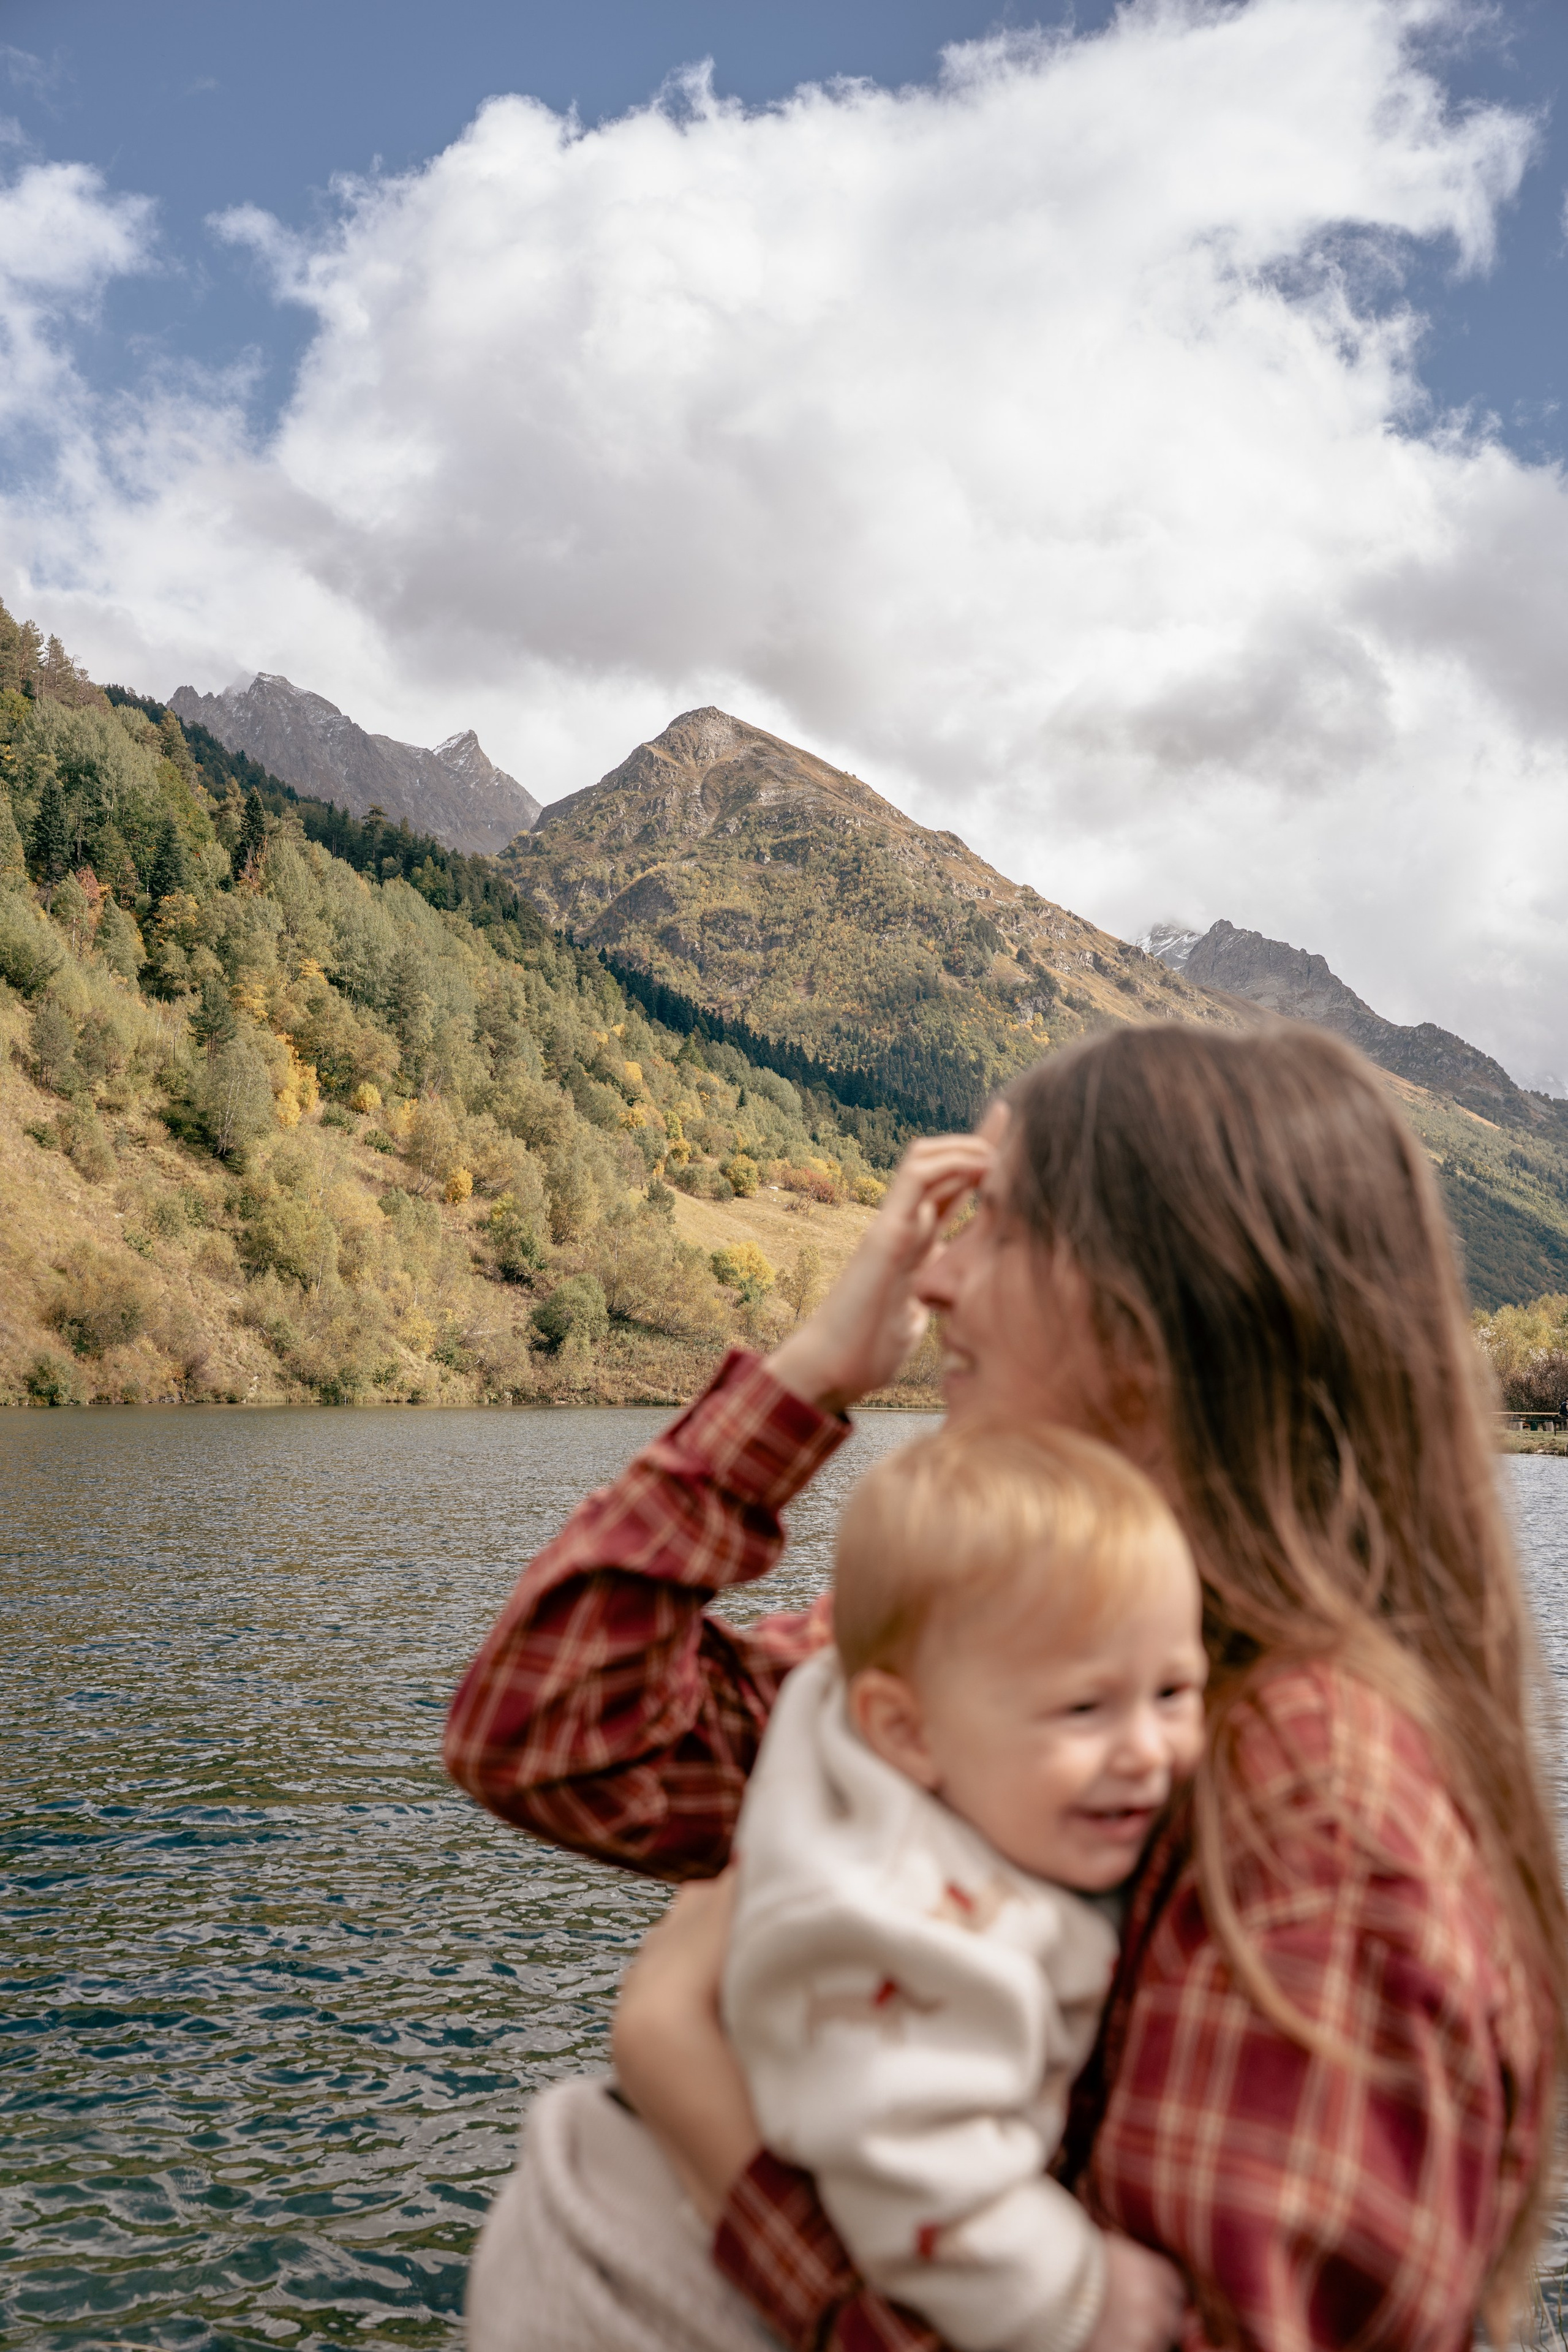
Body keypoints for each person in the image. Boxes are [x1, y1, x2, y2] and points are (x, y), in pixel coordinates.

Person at [445, 1024, 1567, 2352]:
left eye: (995, 1225)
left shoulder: (1316, 1803)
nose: (931, 1279)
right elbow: (551, 1732)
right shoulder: (995, 1651)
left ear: (1150, 1317)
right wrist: (807, 1378)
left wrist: (702, 2112)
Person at [722, 1425, 1205, 2352]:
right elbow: (905, 2160)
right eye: (1083, 1708)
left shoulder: (927, 1726)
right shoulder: (888, 1919)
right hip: (633, 2284)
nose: (1147, 1752)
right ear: (907, 1733)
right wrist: (1075, 2296)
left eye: (1174, 1692)